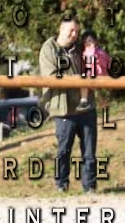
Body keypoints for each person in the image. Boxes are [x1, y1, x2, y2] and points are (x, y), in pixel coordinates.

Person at [38, 16, 98, 193]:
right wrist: (77, 79)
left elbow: (96, 62)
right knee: (64, 150)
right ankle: (61, 185)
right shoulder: (49, 49)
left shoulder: (81, 48)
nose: (74, 34)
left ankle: (90, 187)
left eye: (76, 31)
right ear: (61, 29)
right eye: (71, 30)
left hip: (86, 107)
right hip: (64, 109)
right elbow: (50, 77)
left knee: (89, 151)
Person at [78, 29, 111, 112]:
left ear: (95, 41)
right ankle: (84, 100)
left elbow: (107, 63)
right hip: (90, 75)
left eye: (90, 41)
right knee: (84, 79)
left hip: (101, 74)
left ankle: (103, 101)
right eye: (85, 42)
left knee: (100, 90)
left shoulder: (100, 52)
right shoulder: (84, 52)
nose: (88, 43)